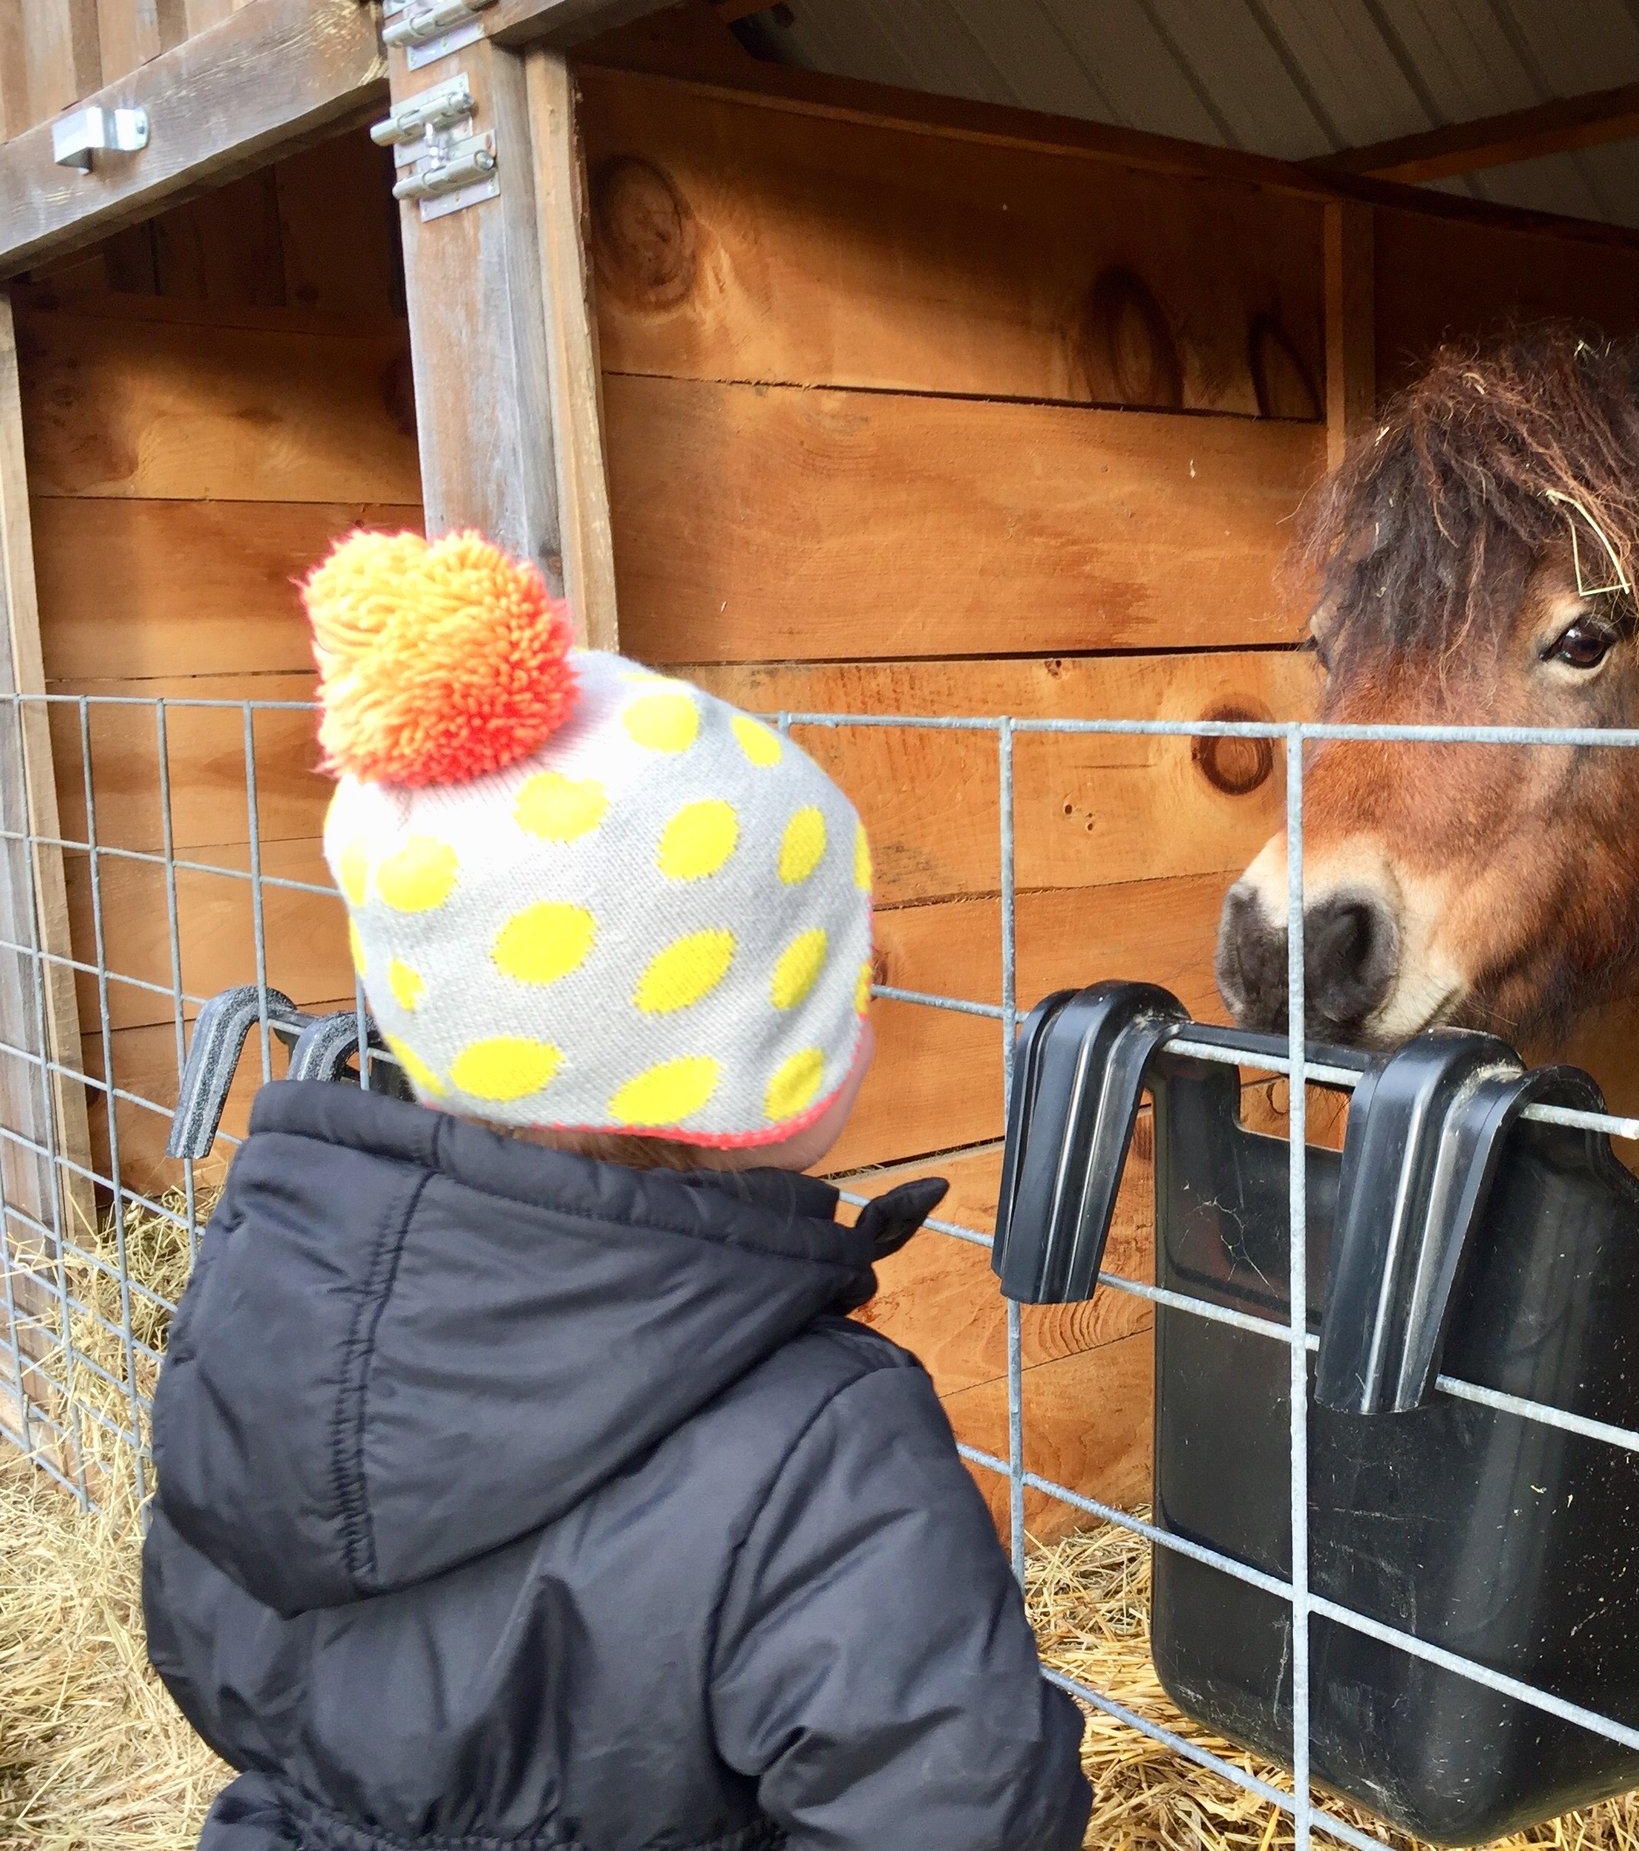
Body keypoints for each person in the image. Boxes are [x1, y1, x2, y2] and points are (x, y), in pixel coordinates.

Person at [141, 530, 1092, 1851]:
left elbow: (202, 1644)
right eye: (842, 984)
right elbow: (964, 1809)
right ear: (759, 1073)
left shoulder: (263, 1309)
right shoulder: (826, 1442)